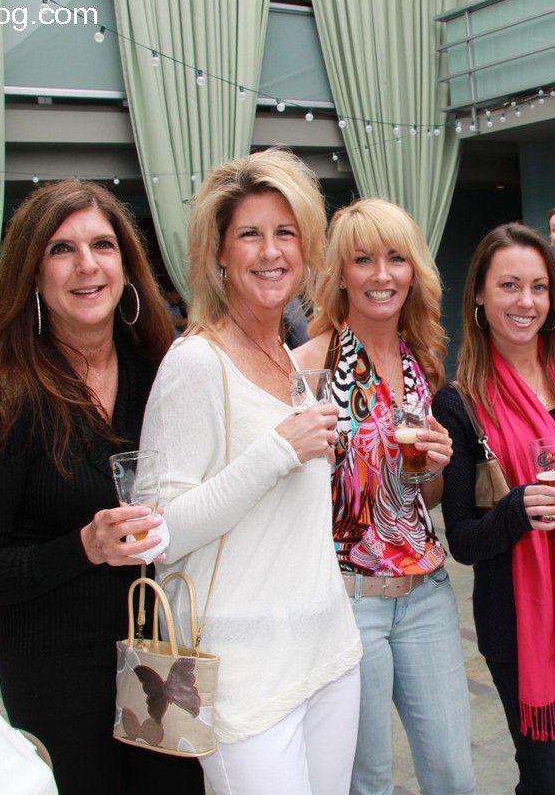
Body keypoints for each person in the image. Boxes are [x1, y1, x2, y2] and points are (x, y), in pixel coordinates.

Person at [0, 181, 204, 794]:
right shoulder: (3, 396)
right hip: (58, 676)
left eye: (102, 245)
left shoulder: (163, 371)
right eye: (61, 249)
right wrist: (84, 547)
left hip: (161, 655)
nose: (87, 265)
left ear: (126, 266)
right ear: (33, 275)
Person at [140, 148, 363, 794]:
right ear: (219, 252)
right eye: (250, 235)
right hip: (242, 674)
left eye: (285, 232)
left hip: (328, 651)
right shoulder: (195, 363)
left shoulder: (287, 358)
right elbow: (159, 534)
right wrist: (277, 452)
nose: (270, 252)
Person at [294, 198, 475, 795]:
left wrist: (433, 468)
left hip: (426, 592)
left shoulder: (422, 362)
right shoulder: (309, 366)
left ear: (414, 271)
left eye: (396, 258)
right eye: (363, 259)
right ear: (340, 274)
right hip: (348, 601)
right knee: (366, 781)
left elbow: (425, 496)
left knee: (453, 775)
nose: (382, 275)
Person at [434, 222, 555, 794]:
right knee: (546, 777)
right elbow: (463, 542)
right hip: (519, 617)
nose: (526, 302)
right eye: (509, 285)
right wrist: (516, 509)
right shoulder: (459, 402)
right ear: (480, 296)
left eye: (539, 287)